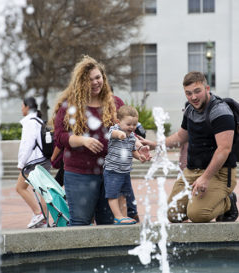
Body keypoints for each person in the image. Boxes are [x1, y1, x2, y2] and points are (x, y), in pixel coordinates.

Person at [52, 55, 143, 226]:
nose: (95, 82)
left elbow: (127, 132)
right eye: (89, 80)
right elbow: (59, 136)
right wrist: (82, 140)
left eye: (98, 77)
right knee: (80, 223)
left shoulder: (115, 103)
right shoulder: (70, 105)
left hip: (111, 174)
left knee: (108, 225)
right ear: (80, 82)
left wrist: (139, 147)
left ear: (103, 78)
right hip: (80, 174)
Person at [140, 71, 239, 223]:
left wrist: (205, 178)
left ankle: (228, 202)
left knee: (198, 215)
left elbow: (224, 149)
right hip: (192, 172)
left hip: (219, 174)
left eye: (197, 91)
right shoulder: (189, 109)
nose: (193, 97)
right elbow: (181, 136)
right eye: (188, 93)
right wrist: (155, 145)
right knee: (172, 214)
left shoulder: (220, 111)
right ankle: (201, 203)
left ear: (207, 89)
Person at [103, 105, 150, 225]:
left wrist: (139, 156)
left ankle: (124, 216)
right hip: (112, 171)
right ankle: (117, 216)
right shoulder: (114, 129)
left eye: (134, 125)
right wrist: (119, 134)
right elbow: (111, 134)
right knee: (113, 195)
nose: (132, 127)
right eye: (128, 124)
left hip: (125, 172)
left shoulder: (131, 137)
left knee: (124, 195)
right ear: (118, 122)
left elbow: (132, 150)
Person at [16, 97, 51, 228]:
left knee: (20, 187)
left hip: (34, 161)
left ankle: (38, 214)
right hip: (44, 159)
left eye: (22, 106)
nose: (21, 108)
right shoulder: (38, 120)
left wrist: (21, 163)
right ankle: (44, 220)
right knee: (43, 191)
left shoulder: (30, 122)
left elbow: (27, 144)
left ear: (27, 107)